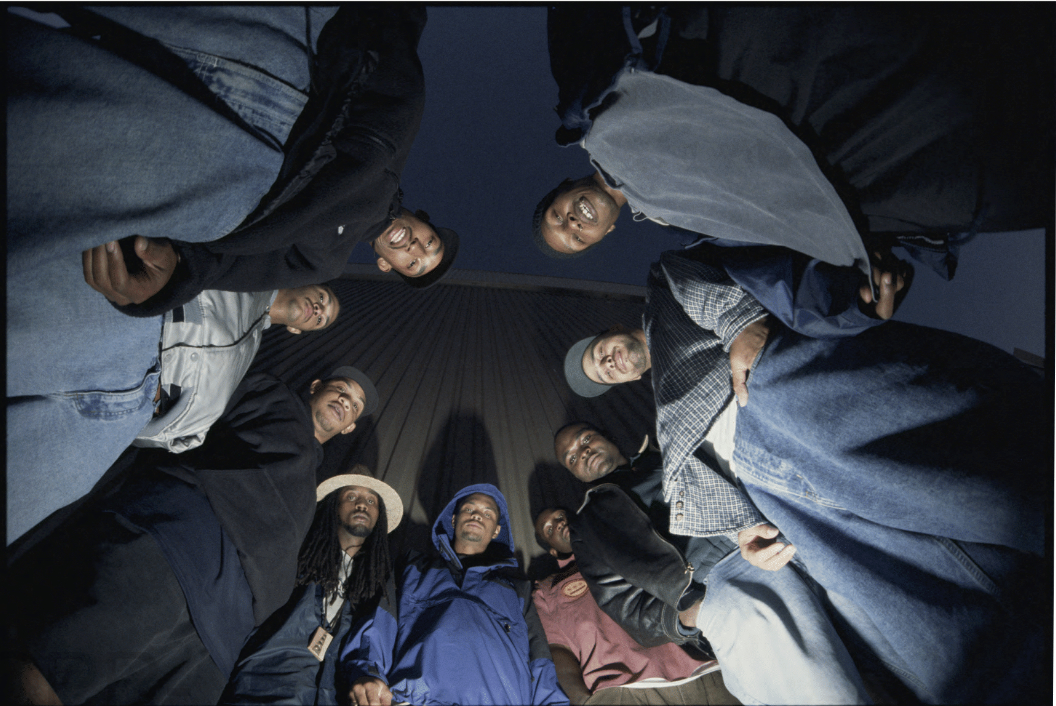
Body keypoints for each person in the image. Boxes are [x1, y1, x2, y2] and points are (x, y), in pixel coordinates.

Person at [561, 247, 1047, 702]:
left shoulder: (665, 331)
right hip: (743, 539)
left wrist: (743, 322)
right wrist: (692, 605)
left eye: (600, 352)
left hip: (769, 453)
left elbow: (698, 279)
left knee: (952, 528)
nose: (608, 362)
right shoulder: (612, 496)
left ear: (614, 331)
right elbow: (625, 598)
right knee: (897, 622)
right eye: (604, 373)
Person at [8, 5, 460, 329]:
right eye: (430, 241)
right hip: (286, 52)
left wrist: (170, 280)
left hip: (209, 163)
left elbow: (221, 266)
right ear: (421, 218)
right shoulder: (400, 133)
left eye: (414, 263)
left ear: (387, 265)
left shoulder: (322, 261)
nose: (416, 248)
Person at [538, 5, 1052, 278]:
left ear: (563, 186)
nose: (571, 223)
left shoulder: (595, 107)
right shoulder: (683, 223)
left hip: (797, 63)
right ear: (603, 236)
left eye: (556, 216)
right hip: (854, 159)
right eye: (575, 238)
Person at [6, 365, 380, 705]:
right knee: (56, 674)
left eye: (356, 405)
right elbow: (189, 402)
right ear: (315, 386)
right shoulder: (270, 393)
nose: (347, 401)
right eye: (341, 389)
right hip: (177, 549)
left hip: (222, 633)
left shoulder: (312, 487)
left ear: (349, 426)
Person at [549, 431, 871, 705]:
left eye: (585, 439)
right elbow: (624, 604)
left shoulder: (668, 448)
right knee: (822, 690)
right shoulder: (588, 523)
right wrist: (689, 613)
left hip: (776, 535)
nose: (584, 451)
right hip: (716, 581)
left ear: (607, 436)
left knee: (882, 650)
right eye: (572, 458)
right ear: (574, 474)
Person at [7, 282, 344, 543]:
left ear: (299, 331)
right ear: (308, 283)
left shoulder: (248, 356)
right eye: (324, 297)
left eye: (323, 319)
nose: (320, 309)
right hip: (119, 339)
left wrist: (151, 422)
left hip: (123, 421)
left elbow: (191, 433)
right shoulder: (243, 274)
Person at [340, 484, 568, 706]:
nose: (477, 515)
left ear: (497, 530)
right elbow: (378, 626)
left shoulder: (519, 591)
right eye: (469, 509)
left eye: (487, 513)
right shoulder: (411, 569)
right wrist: (367, 672)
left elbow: (541, 663)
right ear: (453, 519)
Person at [223, 469, 403, 706]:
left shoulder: (377, 586)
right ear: (334, 505)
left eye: (371, 500)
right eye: (351, 496)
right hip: (263, 688)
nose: (362, 505)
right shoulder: (297, 555)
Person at [533, 507, 739, 706]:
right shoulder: (547, 591)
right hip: (624, 693)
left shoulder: (626, 539)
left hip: (709, 675)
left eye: (560, 516)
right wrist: (583, 701)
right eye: (549, 529)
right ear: (553, 551)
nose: (559, 524)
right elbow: (558, 651)